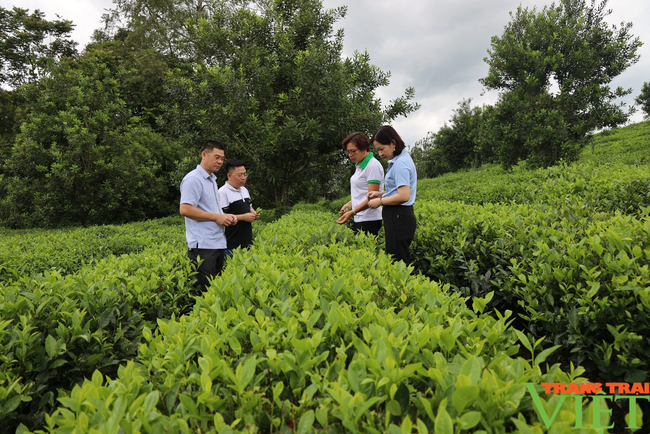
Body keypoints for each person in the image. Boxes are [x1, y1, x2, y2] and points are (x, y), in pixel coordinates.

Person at [179, 140, 237, 291]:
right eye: (216, 157)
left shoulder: (211, 180)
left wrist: (226, 216)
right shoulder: (193, 179)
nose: (220, 162)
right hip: (203, 247)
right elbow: (185, 209)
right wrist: (216, 217)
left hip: (217, 243)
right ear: (204, 155)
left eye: (222, 159)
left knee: (215, 291)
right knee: (205, 294)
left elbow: (211, 210)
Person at [367, 125, 417, 264]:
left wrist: (380, 201)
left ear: (393, 143)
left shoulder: (400, 164)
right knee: (399, 258)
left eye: (381, 149)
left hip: (398, 215)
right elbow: (400, 190)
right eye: (377, 150)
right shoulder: (402, 159)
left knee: (398, 261)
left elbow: (403, 196)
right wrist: (380, 193)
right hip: (400, 216)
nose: (380, 154)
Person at [336, 132, 384, 235]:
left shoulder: (372, 166)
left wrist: (352, 212)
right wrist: (350, 204)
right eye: (348, 152)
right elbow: (362, 193)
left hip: (370, 220)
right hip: (360, 218)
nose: (350, 155)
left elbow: (372, 197)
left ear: (364, 148)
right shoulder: (359, 165)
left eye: (353, 151)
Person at [218, 159, 260, 256]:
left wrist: (254, 213)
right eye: (240, 175)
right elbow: (221, 216)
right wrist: (243, 217)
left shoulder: (244, 190)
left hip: (247, 242)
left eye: (245, 174)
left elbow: (249, 206)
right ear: (229, 175)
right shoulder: (222, 192)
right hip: (231, 245)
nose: (243, 178)